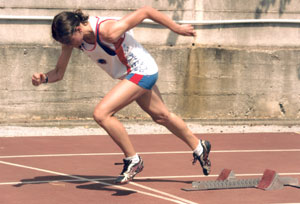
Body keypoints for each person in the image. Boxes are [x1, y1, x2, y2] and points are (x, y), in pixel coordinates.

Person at [32, 6, 211, 184]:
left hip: (142, 71)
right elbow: (58, 72)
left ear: (78, 28)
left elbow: (146, 11)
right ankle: (199, 146)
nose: (69, 45)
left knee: (102, 114)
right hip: (130, 75)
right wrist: (44, 78)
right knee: (161, 116)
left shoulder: (107, 31)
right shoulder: (73, 38)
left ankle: (133, 160)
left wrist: (176, 28)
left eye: (70, 41)